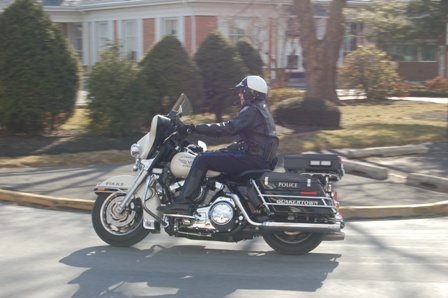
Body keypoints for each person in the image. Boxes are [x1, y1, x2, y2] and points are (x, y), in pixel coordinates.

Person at [157, 75, 279, 215]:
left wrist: (194, 128)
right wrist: (215, 152)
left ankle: (184, 203)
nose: (239, 94)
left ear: (251, 92)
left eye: (242, 91)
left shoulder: (252, 110)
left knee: (202, 160)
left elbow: (228, 128)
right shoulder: (260, 110)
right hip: (257, 158)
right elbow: (243, 143)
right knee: (206, 157)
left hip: (251, 159)